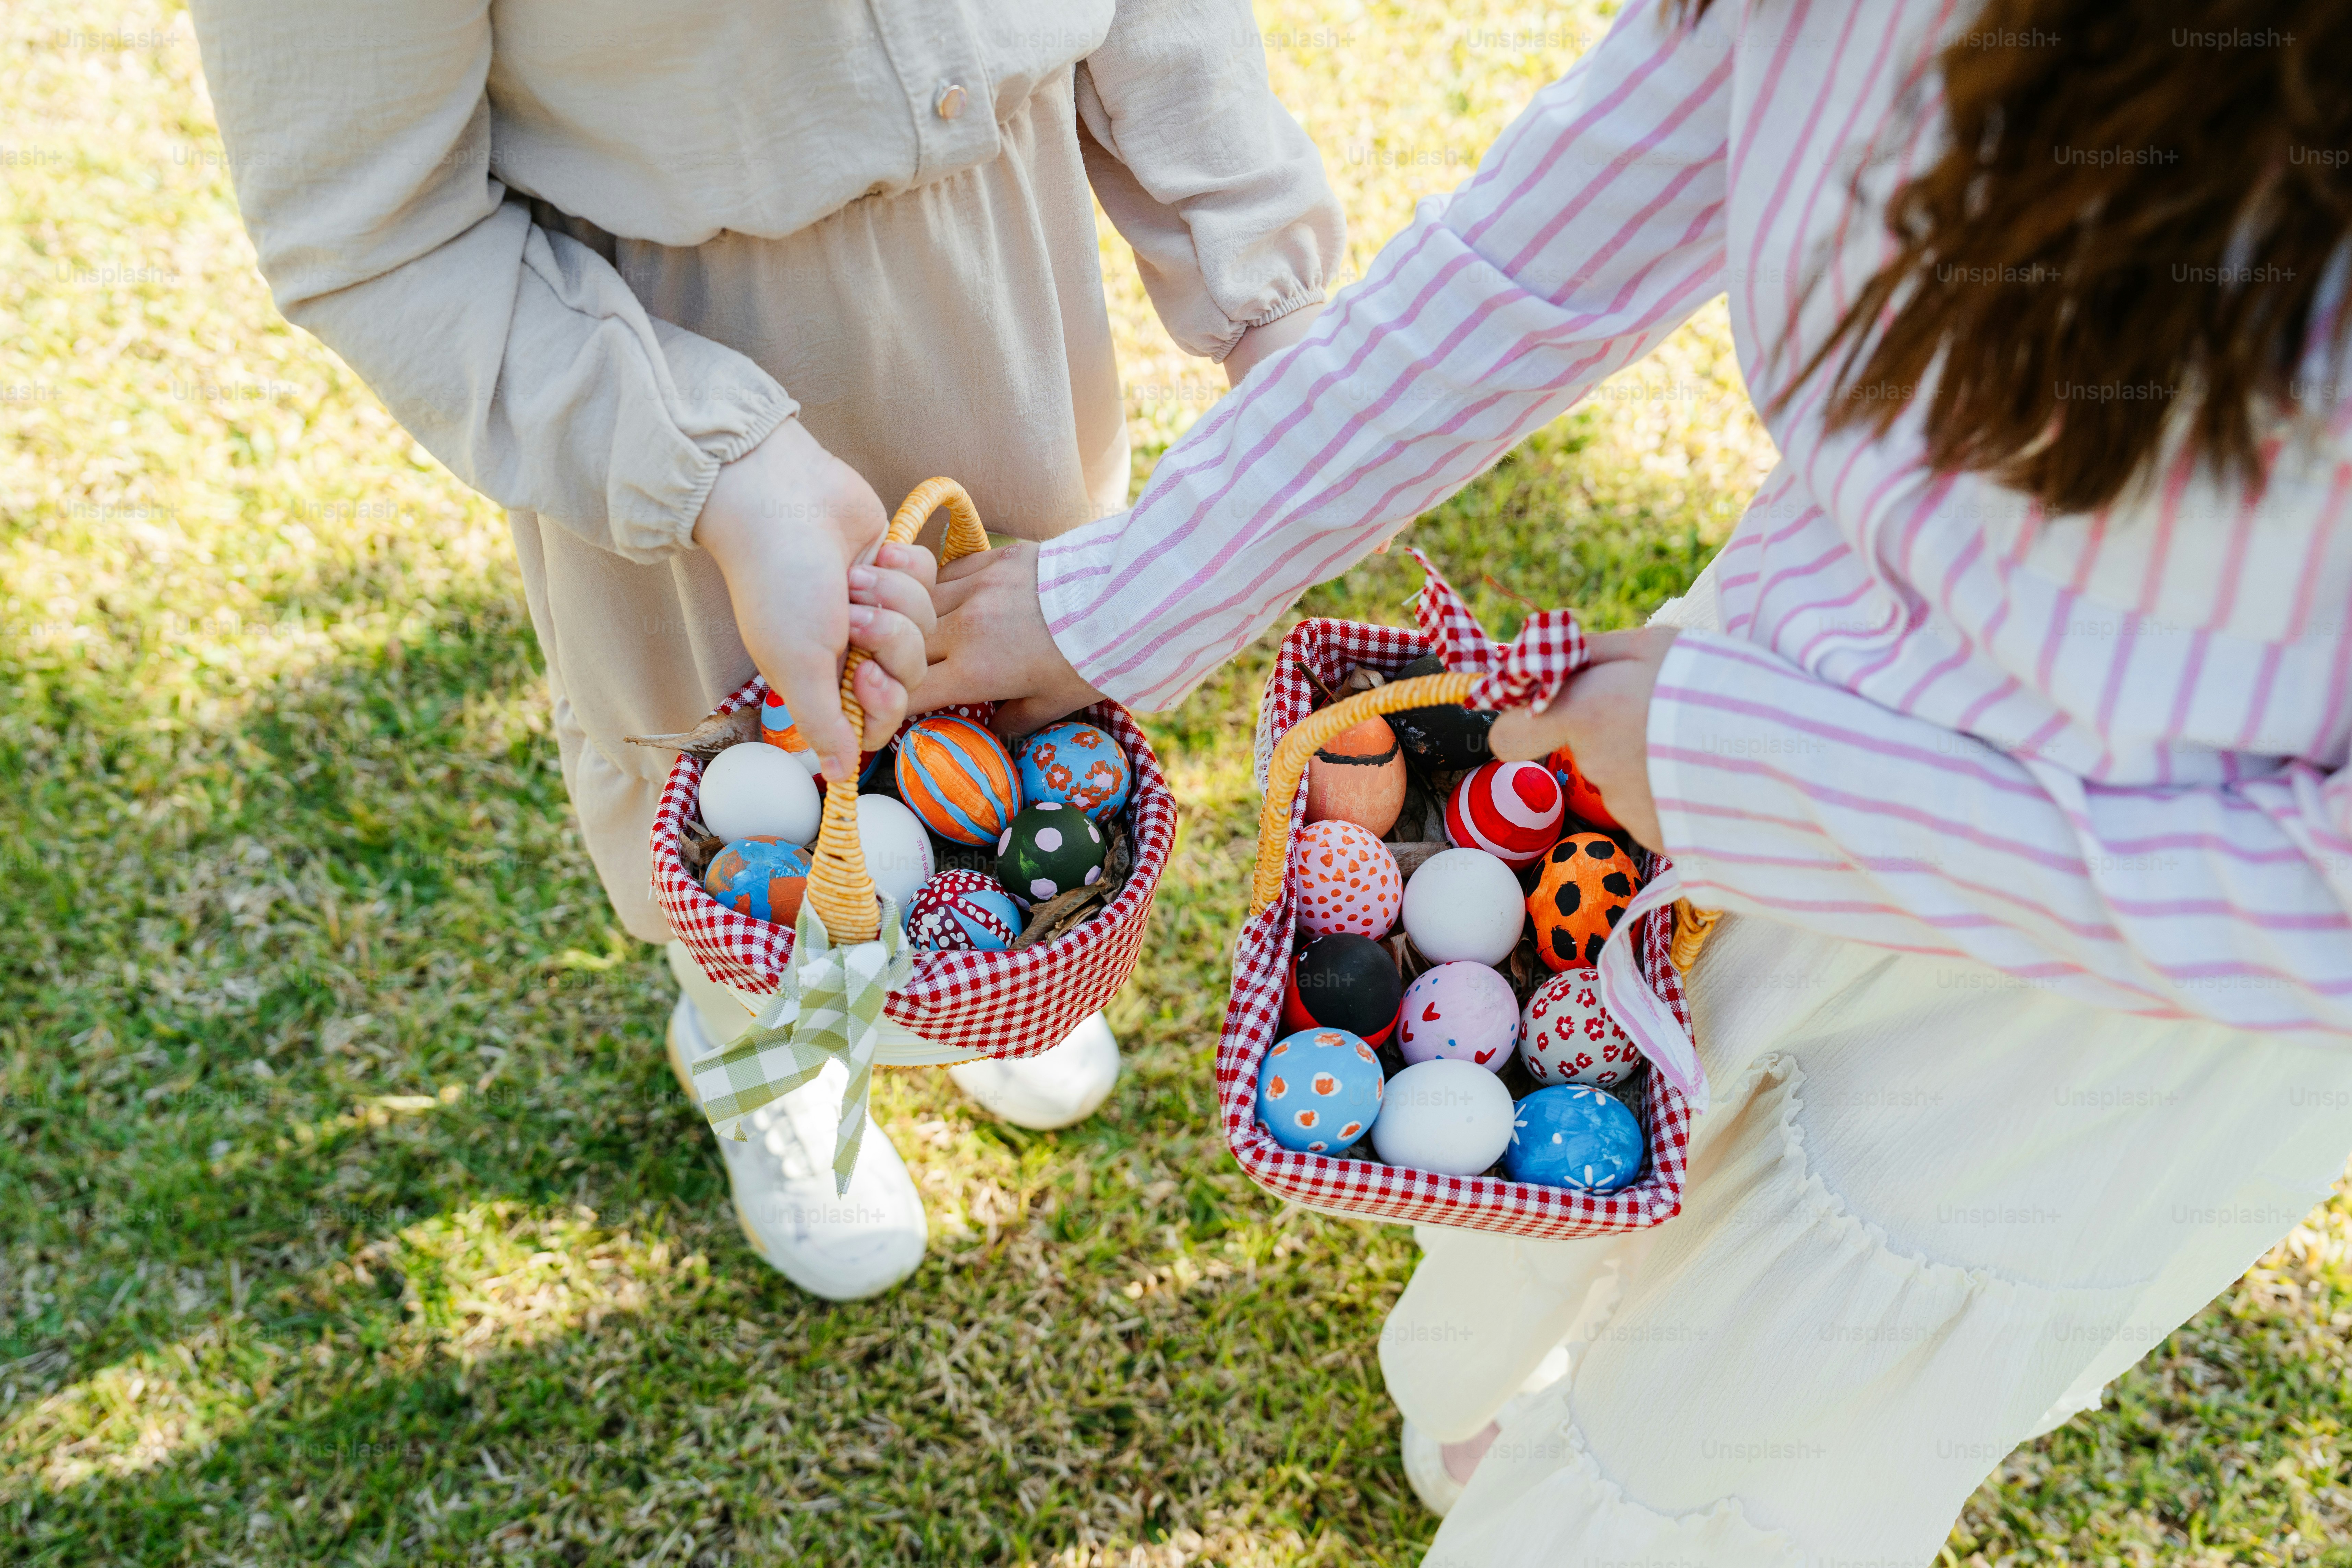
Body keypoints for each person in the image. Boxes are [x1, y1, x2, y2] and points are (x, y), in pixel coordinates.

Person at [921, 0, 2352, 1558]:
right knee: (1558, 1155)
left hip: (2086, 1004)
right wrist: (1128, 597)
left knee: (1712, 1448)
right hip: (1732, 735)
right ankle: (1486, 1387)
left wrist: (1757, 777)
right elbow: (1529, 267)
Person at [186, 0, 1343, 1302]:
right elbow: (373, 228)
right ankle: (766, 1050)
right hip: (667, 355)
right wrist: (723, 476)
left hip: (999, 297)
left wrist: (1261, 279)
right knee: (755, 809)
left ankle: (978, 965)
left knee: (1007, 706)